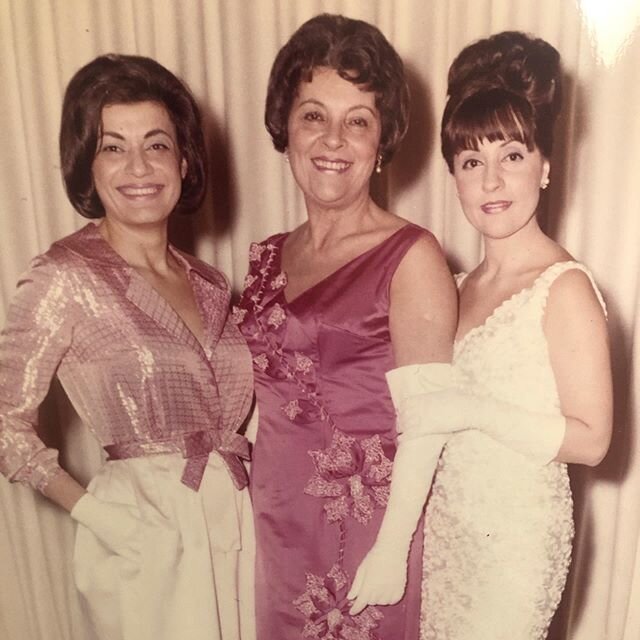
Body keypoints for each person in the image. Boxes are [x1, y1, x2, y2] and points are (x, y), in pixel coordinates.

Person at [350, 31, 613, 639]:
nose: (492, 181)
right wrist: (391, 544)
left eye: (512, 155)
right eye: (473, 162)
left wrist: (472, 408)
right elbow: (424, 418)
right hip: (448, 532)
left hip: (516, 541)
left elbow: (593, 440)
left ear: (545, 167)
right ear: (455, 178)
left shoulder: (563, 286)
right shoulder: (455, 286)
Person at [0, 54, 255, 640]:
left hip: (233, 516)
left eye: (157, 145)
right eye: (113, 147)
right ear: (87, 166)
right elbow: (6, 421)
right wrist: (99, 515)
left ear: (184, 160)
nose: (138, 166)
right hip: (141, 532)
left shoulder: (211, 284)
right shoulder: (63, 274)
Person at [232, 13, 457, 640]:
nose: (333, 139)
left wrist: (390, 551)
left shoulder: (412, 255)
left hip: (366, 535)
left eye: (357, 120)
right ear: (286, 129)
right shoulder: (264, 257)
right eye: (313, 115)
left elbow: (430, 423)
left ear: (382, 142)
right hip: (273, 526)